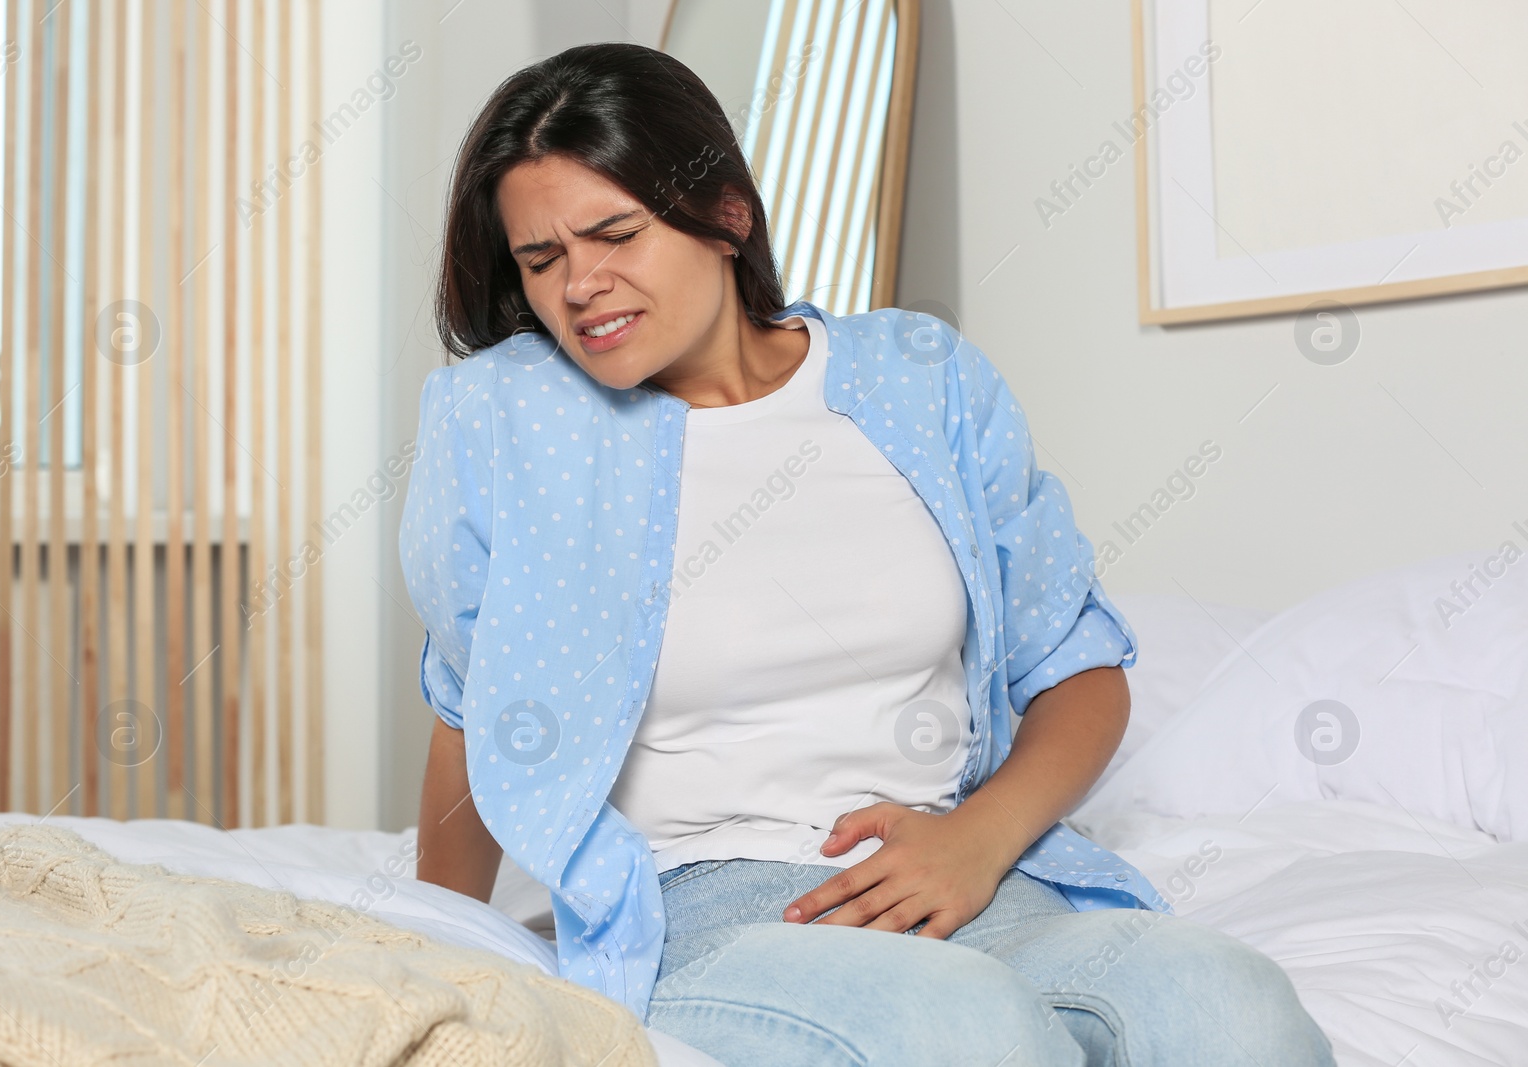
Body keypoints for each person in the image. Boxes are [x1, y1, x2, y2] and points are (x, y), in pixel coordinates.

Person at [400, 41, 1336, 1066]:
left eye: (613, 233)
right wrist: (431, 958)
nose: (580, 284)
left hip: (962, 869)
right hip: (697, 909)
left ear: (724, 212)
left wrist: (977, 840)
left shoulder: (917, 376)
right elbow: (469, 711)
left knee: (1224, 998)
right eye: (540, 260)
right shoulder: (510, 422)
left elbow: (1076, 664)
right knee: (967, 1029)